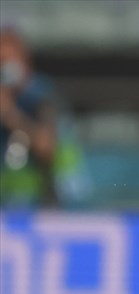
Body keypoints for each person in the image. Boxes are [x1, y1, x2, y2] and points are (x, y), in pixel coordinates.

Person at [0, 27, 87, 207]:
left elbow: (46, 145)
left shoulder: (43, 95)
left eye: (6, 61)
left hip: (53, 199)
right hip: (10, 201)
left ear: (23, 60)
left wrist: (10, 115)